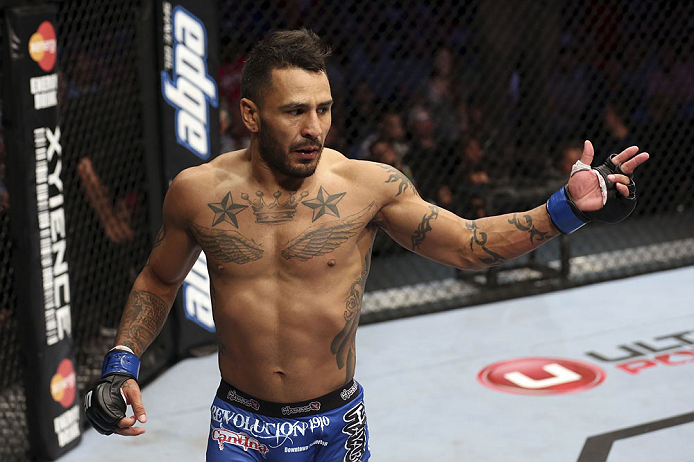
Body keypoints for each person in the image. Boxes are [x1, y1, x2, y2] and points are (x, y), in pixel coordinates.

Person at [84, 29, 649, 461]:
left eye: (323, 109)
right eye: (294, 111)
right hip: (239, 425)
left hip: (336, 425)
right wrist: (120, 364)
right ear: (251, 114)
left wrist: (564, 210)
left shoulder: (368, 186)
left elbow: (468, 245)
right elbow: (160, 279)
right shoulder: (197, 192)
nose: (313, 127)